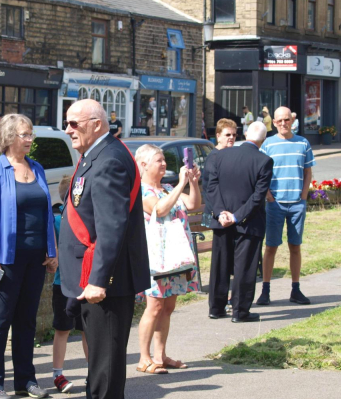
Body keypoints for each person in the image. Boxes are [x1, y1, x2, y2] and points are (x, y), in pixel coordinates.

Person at [58, 99, 149, 399]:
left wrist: (99, 280)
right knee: (98, 356)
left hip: (104, 281)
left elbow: (112, 227)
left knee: (106, 359)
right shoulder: (95, 154)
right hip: (91, 276)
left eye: (74, 124)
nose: (68, 129)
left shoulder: (109, 159)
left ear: (96, 123)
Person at [0, 113, 58, 399]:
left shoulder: (36, 168)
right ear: (10, 137)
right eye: (25, 134)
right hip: (6, 259)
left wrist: (52, 251)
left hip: (36, 258)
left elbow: (47, 214)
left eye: (31, 134)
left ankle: (26, 380)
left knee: (26, 321)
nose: (30, 139)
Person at [135, 144, 201, 375]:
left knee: (168, 306)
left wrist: (192, 181)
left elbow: (193, 205)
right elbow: (159, 211)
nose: (164, 164)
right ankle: (144, 358)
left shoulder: (165, 188)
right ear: (143, 165)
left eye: (164, 160)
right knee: (154, 306)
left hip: (174, 257)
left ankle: (160, 356)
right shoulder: (141, 191)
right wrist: (181, 184)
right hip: (156, 258)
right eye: (158, 160)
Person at [206, 121, 274, 322]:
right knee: (245, 267)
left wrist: (220, 213)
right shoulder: (264, 161)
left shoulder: (220, 155)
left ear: (244, 134)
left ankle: (216, 308)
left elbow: (212, 187)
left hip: (222, 220)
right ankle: (240, 311)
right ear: (263, 140)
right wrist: (236, 216)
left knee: (220, 265)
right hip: (248, 222)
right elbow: (257, 196)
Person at [257, 106, 316, 307]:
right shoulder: (267, 145)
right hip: (275, 204)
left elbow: (308, 172)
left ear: (292, 120)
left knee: (295, 247)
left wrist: (303, 196)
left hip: (297, 204)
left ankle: (295, 289)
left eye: (287, 120)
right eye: (279, 121)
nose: (283, 123)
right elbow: (260, 175)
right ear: (273, 123)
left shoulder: (303, 143)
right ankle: (265, 290)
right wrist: (269, 197)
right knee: (271, 247)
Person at [51, 175, 88, 393]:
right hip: (63, 283)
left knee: (87, 329)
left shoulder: (85, 217)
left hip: (84, 283)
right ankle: (57, 373)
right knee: (62, 328)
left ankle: (93, 372)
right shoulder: (57, 219)